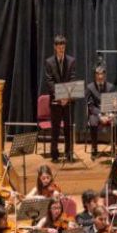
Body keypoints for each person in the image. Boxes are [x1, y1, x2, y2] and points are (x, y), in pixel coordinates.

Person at [44, 34, 78, 163]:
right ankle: (54, 154)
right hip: (55, 101)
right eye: (59, 47)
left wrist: (66, 97)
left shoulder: (71, 61)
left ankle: (69, 154)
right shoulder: (49, 62)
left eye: (63, 47)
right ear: (55, 47)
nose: (61, 50)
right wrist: (60, 96)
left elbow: (72, 79)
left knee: (68, 128)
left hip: (68, 101)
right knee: (56, 129)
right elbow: (50, 82)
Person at [85, 64, 115, 157]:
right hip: (95, 113)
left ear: (105, 75)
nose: (100, 76)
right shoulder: (90, 87)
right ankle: (94, 148)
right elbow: (90, 106)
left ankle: (113, 147)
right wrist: (100, 115)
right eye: (98, 74)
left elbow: (112, 104)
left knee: (116, 124)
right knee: (93, 123)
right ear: (95, 75)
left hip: (107, 113)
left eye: (102, 74)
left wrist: (108, 114)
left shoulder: (110, 87)